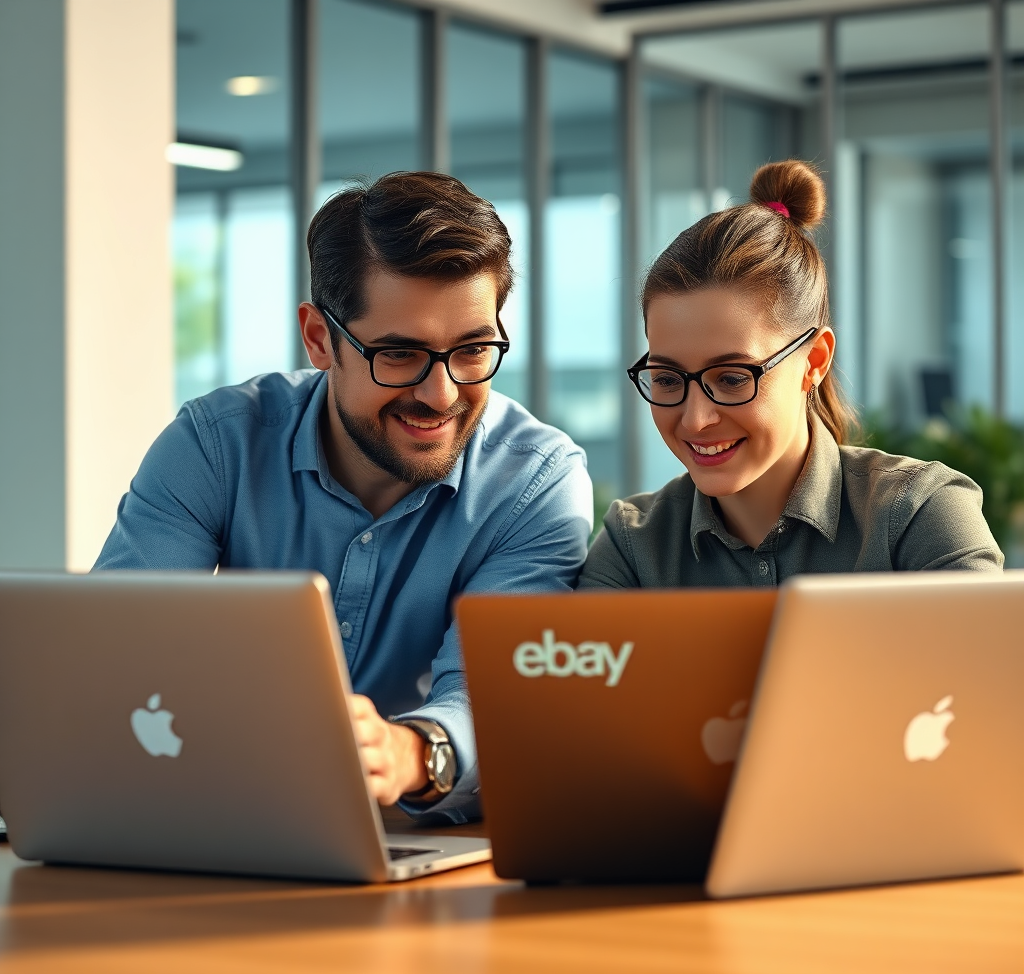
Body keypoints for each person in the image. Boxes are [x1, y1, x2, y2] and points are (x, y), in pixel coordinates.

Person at [96, 172, 593, 822]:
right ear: (318, 339)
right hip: (227, 824)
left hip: (430, 852)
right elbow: (117, 654)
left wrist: (411, 752)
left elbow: (498, 691)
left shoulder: (537, 482)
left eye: (472, 350)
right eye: (398, 354)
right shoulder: (216, 445)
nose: (440, 394)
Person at [580, 160, 1002, 590]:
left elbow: (989, 655)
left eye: (732, 378)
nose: (695, 420)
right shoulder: (631, 548)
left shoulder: (917, 514)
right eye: (668, 379)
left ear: (815, 361)